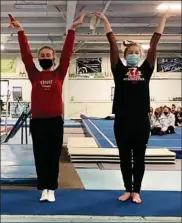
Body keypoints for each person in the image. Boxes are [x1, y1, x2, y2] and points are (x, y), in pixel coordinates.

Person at [94, 10, 170, 204]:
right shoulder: (118, 70)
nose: (134, 55)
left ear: (141, 55)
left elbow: (154, 44)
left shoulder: (147, 69)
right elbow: (112, 43)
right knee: (125, 158)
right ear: (125, 56)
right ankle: (128, 189)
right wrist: (105, 20)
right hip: (122, 120)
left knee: (139, 158)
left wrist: (162, 20)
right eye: (130, 53)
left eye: (137, 53)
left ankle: (137, 191)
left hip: (141, 122)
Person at [8, 14, 85, 202]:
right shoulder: (34, 74)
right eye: (42, 56)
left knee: (53, 156)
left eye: (48, 56)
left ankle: (52, 188)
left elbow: (67, 53)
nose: (45, 58)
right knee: (40, 156)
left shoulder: (59, 73)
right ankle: (44, 188)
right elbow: (25, 55)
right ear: (38, 58)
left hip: (55, 122)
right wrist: (20, 31)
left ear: (54, 58)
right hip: (38, 122)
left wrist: (72, 29)